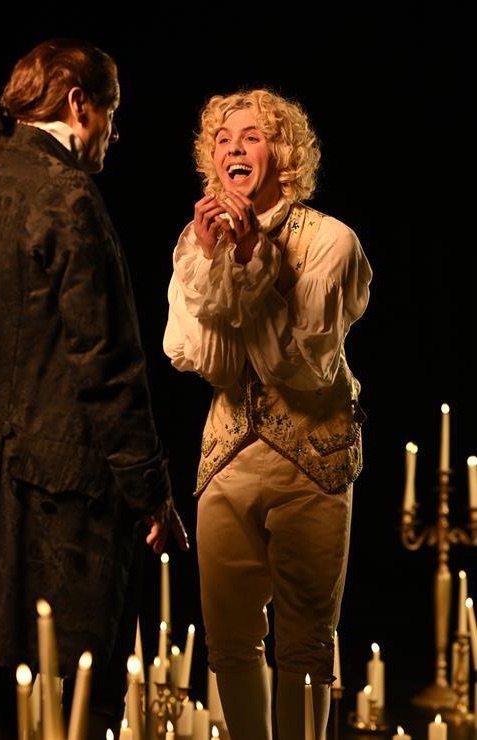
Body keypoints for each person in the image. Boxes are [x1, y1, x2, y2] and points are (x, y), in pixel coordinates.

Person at [0, 37, 188, 740]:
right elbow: (108, 367)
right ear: (79, 104)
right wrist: (150, 493)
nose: (114, 136)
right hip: (66, 501)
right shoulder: (67, 197)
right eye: (113, 116)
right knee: (88, 695)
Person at [163, 88, 372, 740]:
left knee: (305, 643)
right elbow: (200, 358)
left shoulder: (330, 241)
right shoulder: (196, 243)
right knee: (228, 641)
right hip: (226, 460)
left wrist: (255, 261)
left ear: (282, 153)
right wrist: (211, 261)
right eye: (222, 139)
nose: (233, 147)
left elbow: (304, 367)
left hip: (312, 459)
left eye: (251, 136)